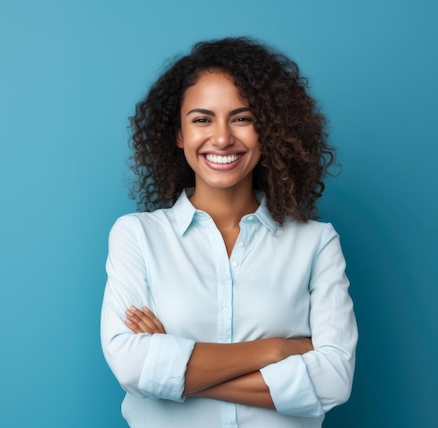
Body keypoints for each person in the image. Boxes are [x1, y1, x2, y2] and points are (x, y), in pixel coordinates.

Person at [100, 37, 358, 427]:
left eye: (242, 118)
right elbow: (131, 367)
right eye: (202, 119)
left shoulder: (316, 243)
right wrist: (274, 351)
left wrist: (171, 371)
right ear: (179, 134)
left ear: (267, 130)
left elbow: (334, 381)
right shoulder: (137, 236)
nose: (222, 138)